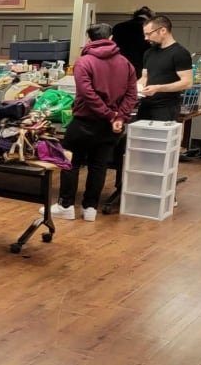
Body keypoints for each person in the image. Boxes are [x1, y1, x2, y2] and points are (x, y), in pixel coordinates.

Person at [47, 23, 137, 222]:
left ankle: (66, 206)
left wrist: (109, 115)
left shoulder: (84, 62)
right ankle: (90, 209)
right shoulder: (126, 63)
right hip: (109, 126)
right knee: (99, 165)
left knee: (70, 162)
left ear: (89, 40)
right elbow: (132, 95)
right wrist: (118, 116)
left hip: (84, 122)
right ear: (111, 38)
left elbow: (87, 94)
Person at [136, 14, 193, 122]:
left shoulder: (180, 53)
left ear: (163, 30)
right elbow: (144, 77)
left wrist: (158, 88)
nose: (146, 38)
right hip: (145, 106)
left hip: (166, 108)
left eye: (148, 34)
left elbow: (187, 83)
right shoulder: (149, 52)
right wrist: (136, 87)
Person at [111, 6, 153, 77]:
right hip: (141, 68)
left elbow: (112, 48)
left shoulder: (118, 27)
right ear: (150, 18)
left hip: (119, 67)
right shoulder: (149, 29)